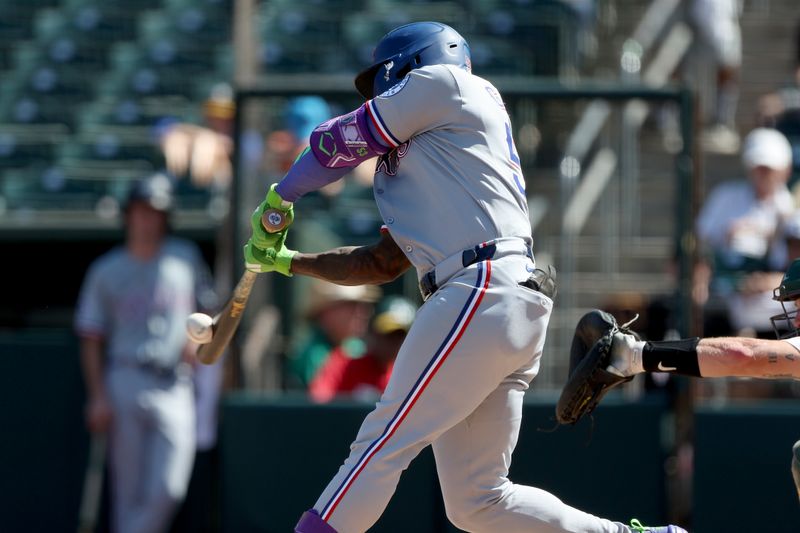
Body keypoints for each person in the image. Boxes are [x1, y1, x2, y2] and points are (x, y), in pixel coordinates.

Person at [243, 21, 684, 533]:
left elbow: (334, 141)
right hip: (497, 295)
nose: (382, 91)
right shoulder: (436, 152)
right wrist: (289, 260)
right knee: (478, 501)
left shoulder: (447, 84)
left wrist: (281, 198)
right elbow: (381, 264)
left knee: (382, 442)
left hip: (481, 286)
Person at [75, 173, 217, 533]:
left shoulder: (185, 258)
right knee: (128, 494)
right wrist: (97, 396)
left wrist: (198, 340)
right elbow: (90, 336)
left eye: (155, 212)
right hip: (125, 377)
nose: (147, 219)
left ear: (166, 216)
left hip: (175, 382)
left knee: (168, 490)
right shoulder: (105, 270)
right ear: (128, 214)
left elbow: (211, 315)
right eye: (141, 211)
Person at [605, 256, 800, 503]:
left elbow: (743, 355)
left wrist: (634, 356)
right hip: (669, 400)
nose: (795, 320)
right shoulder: (662, 307)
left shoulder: (715, 309)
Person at [695, 127, 795, 338]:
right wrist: (702, 277)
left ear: (785, 170)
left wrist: (770, 281)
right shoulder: (726, 196)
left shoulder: (792, 208)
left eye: (769, 168)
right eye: (758, 167)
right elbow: (700, 243)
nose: (763, 174)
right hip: (724, 289)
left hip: (770, 296)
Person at [309, 295, 416, 403]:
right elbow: (319, 402)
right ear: (372, 333)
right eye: (386, 334)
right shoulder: (344, 364)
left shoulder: (415, 375)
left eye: (400, 336)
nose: (393, 342)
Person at [286, 279, 380, 389]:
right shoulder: (313, 355)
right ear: (325, 313)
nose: (363, 313)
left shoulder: (359, 348)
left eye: (363, 305)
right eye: (351, 305)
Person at [689, 0, 743, 154]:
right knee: (716, 77)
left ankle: (722, 123)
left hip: (724, 29)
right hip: (712, 31)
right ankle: (714, 123)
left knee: (728, 78)